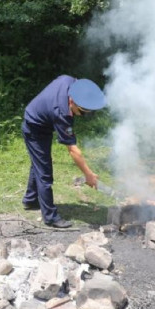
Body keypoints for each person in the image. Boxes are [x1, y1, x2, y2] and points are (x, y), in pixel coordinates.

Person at [22, 76, 106, 228]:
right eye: (82, 112)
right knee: (45, 173)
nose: (82, 116)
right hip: (35, 128)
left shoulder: (70, 82)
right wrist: (88, 174)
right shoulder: (62, 113)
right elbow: (73, 150)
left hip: (41, 120)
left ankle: (30, 200)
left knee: (39, 163)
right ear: (72, 101)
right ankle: (50, 217)